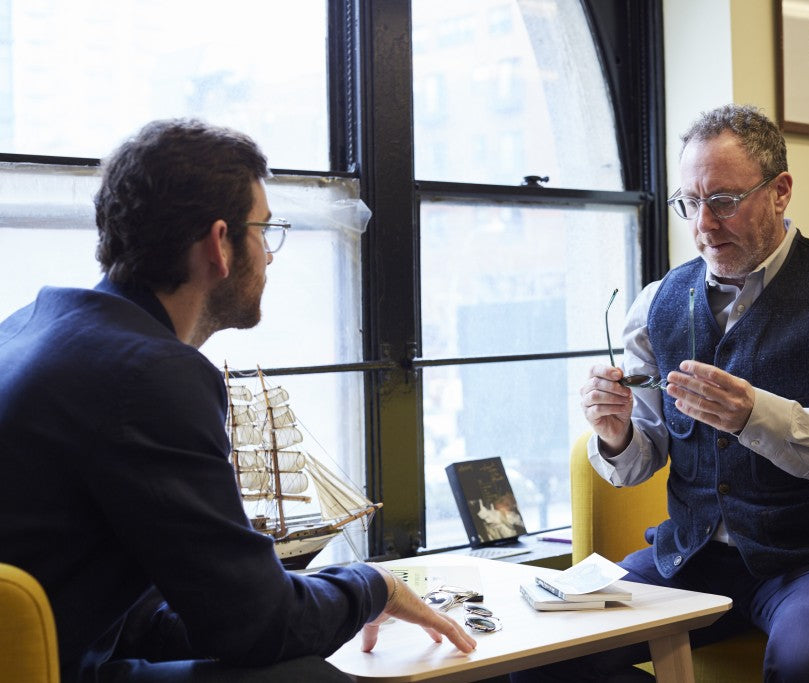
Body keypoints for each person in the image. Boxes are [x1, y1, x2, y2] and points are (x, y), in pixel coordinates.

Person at [0, 119, 476, 682]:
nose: (271, 257)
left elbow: (149, 599)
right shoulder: (151, 377)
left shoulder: (29, 330)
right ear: (219, 244)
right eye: (265, 231)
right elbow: (257, 626)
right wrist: (374, 586)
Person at [513, 104, 809, 682]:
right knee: (541, 658)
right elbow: (638, 460)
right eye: (689, 202)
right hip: (691, 556)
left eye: (723, 200)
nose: (704, 223)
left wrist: (756, 415)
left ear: (780, 193)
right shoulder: (657, 303)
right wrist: (617, 432)